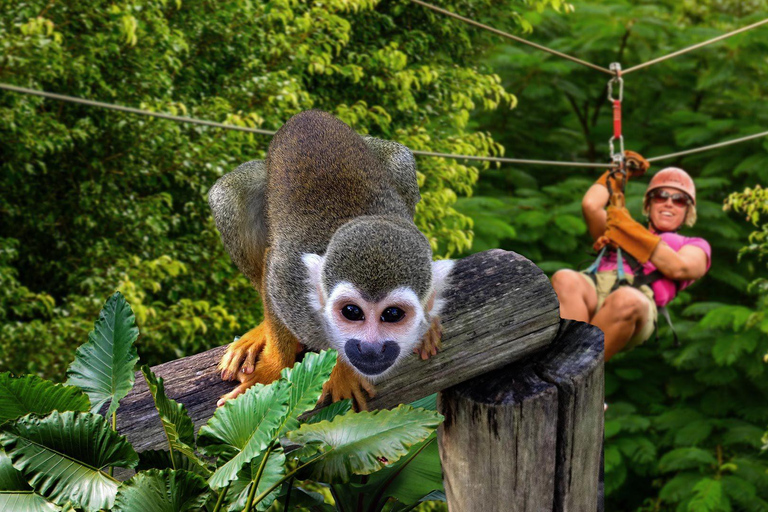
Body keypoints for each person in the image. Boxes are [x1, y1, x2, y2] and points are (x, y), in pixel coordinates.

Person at [551, 166, 711, 360]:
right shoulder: (621, 227)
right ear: (649, 204)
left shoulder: (693, 245)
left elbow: (680, 268)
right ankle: (561, 362)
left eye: (679, 200)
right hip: (595, 286)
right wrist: (619, 171)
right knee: (565, 278)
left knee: (627, 299)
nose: (669, 203)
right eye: (661, 196)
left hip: (637, 301)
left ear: (688, 211)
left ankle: (576, 369)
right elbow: (591, 206)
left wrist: (631, 233)